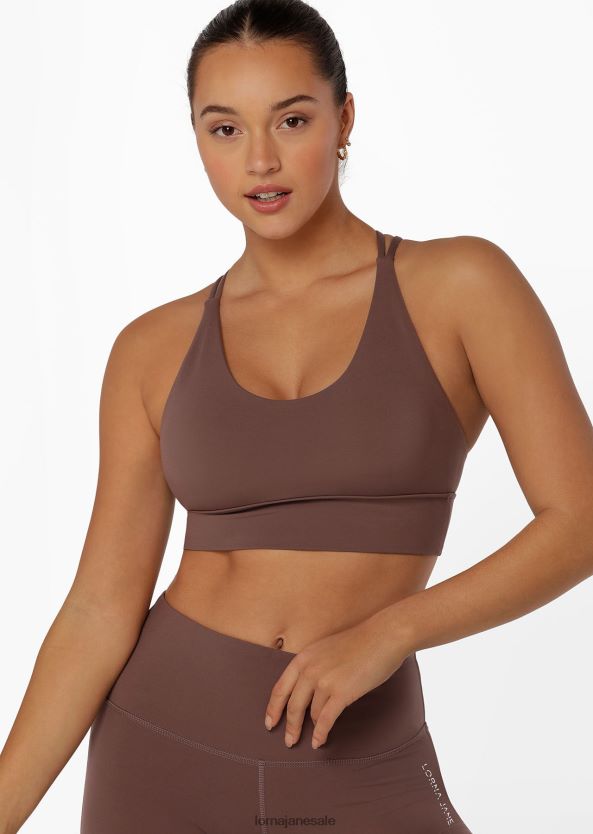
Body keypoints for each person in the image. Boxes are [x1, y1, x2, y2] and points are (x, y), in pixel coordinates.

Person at [2, 1, 593, 832]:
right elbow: (98, 611)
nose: (260, 160)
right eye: (225, 129)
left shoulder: (460, 286)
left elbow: (580, 519)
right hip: (162, 745)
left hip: (360, 750)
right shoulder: (152, 348)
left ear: (343, 119)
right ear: (196, 140)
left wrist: (392, 632)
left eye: (291, 119)